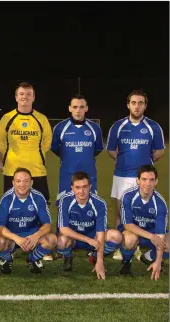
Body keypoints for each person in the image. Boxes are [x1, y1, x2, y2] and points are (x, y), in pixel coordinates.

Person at [106, 89, 165, 260]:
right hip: (121, 176)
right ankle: (120, 247)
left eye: (140, 103)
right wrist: (123, 162)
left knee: (140, 215)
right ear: (128, 105)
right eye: (133, 102)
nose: (136, 106)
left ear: (145, 106)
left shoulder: (153, 127)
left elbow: (159, 151)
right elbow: (111, 150)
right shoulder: (118, 126)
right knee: (119, 214)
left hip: (143, 179)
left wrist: (146, 165)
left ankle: (136, 246)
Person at [56, 171, 123, 280]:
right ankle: (68, 257)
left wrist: (100, 261)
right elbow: (63, 229)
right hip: (74, 238)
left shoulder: (99, 203)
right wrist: (87, 240)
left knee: (116, 236)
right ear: (72, 188)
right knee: (60, 242)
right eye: (77, 187)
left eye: (85, 187)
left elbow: (100, 234)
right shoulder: (65, 200)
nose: (81, 191)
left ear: (90, 187)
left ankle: (95, 257)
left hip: (94, 238)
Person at [0, 82, 52, 202]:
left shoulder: (41, 119)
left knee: (41, 208)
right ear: (16, 97)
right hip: (12, 170)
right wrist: (11, 155)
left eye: (28, 94)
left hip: (37, 170)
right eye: (21, 94)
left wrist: (34, 154)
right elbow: (0, 141)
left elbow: (47, 142)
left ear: (33, 97)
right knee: (11, 209)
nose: (24, 97)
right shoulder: (6, 118)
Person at [0, 167, 56, 275]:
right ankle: (7, 259)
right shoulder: (7, 199)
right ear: (13, 182)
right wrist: (16, 238)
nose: (22, 184)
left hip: (32, 236)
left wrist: (36, 236)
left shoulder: (38, 197)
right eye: (18, 181)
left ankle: (32, 259)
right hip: (12, 238)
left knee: (52, 239)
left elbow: (48, 225)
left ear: (31, 182)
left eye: (26, 181)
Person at [118, 165, 168, 280]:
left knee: (168, 244)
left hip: (152, 232)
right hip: (133, 230)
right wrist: (151, 236)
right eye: (144, 179)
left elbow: (160, 235)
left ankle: (149, 257)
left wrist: (159, 262)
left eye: (151, 180)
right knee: (130, 239)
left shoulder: (160, 203)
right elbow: (127, 224)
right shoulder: (128, 196)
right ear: (138, 180)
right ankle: (126, 262)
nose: (148, 183)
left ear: (156, 182)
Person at [51, 94, 103, 201]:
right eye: (75, 107)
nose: (78, 110)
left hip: (89, 176)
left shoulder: (95, 128)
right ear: (70, 108)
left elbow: (98, 149)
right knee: (65, 210)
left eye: (81, 107)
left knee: (89, 209)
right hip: (67, 177)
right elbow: (55, 148)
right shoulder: (60, 128)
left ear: (86, 108)